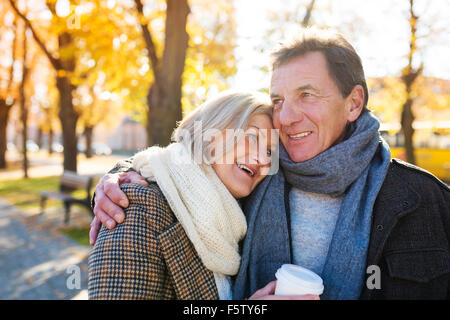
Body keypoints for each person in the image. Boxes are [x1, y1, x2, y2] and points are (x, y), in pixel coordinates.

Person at [90, 28, 450, 300]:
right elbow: (182, 169)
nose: (287, 117)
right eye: (278, 99)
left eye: (306, 94)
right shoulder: (254, 182)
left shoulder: (423, 199)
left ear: (353, 103)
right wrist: (120, 177)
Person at [88, 91, 318, 300]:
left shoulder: (234, 220)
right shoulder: (137, 209)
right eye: (252, 137)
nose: (263, 159)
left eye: (270, 151)